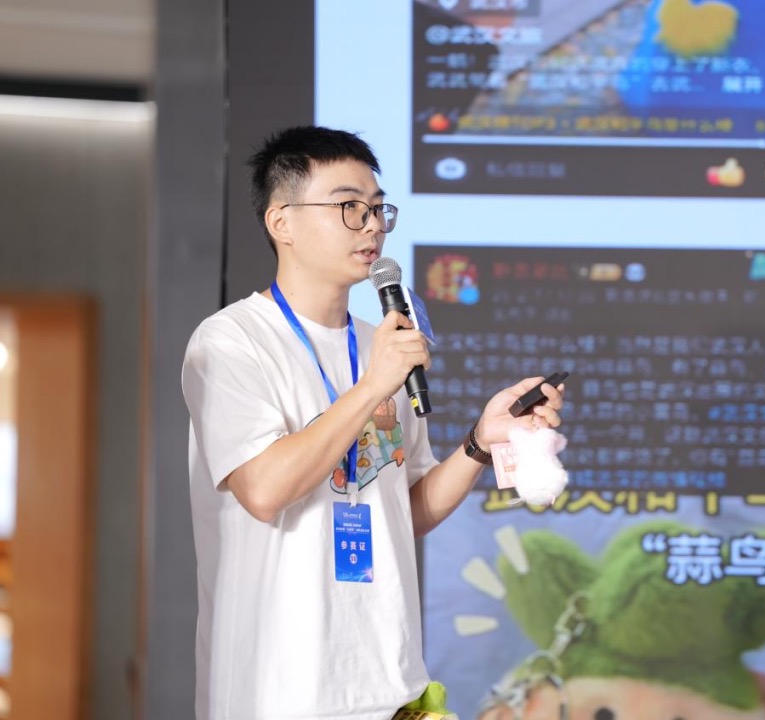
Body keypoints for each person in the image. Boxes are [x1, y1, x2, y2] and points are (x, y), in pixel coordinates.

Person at [181, 125, 564, 720]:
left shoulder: (381, 345)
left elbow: (402, 513)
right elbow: (264, 490)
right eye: (349, 207)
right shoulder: (231, 341)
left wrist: (479, 443)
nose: (371, 226)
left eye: (378, 208)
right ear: (282, 222)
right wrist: (372, 387)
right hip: (278, 691)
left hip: (387, 684)